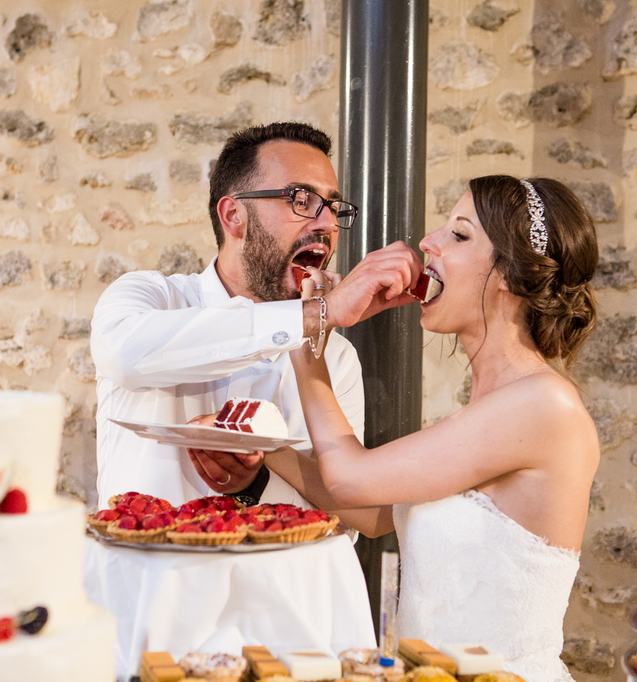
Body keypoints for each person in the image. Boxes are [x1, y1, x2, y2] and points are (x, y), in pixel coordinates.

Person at [191, 175, 601, 682]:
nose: (428, 241)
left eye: (459, 234)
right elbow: (372, 512)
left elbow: (347, 478)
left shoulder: (544, 405)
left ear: (510, 278)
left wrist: (308, 337)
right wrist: (255, 439)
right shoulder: (496, 406)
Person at [90, 121, 421, 507]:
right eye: (301, 199)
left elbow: (345, 526)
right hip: (145, 567)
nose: (329, 223)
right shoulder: (151, 297)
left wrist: (256, 482)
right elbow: (124, 356)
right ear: (233, 216)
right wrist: (313, 317)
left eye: (332, 206)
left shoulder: (336, 359)